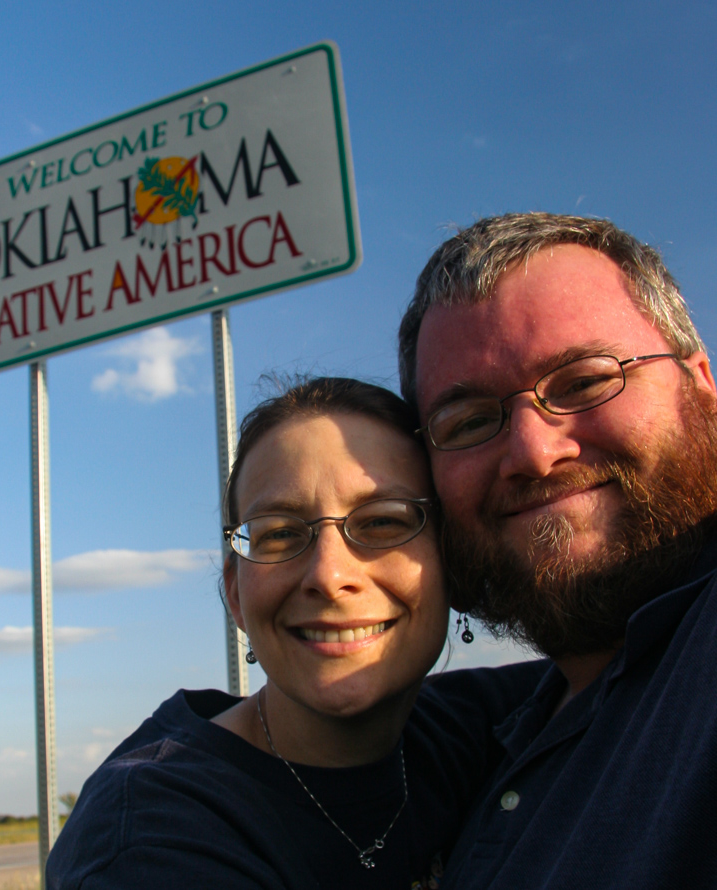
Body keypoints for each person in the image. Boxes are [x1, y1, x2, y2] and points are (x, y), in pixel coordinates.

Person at [46, 377, 543, 890]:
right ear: (236, 594)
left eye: (383, 523)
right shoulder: (149, 839)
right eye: (280, 533)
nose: (328, 576)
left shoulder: (492, 724)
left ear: (454, 563)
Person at [398, 212, 717, 888]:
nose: (535, 454)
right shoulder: (491, 740)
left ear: (700, 384)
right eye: (470, 421)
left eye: (584, 381)